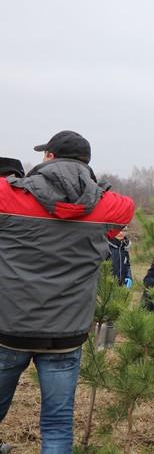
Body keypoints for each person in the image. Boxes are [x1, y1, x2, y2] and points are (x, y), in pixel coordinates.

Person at [0, 130, 135, 452]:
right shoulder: (107, 207)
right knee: (58, 424)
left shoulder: (8, 196)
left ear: (49, 156)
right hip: (66, 334)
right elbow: (124, 210)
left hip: (10, 329)